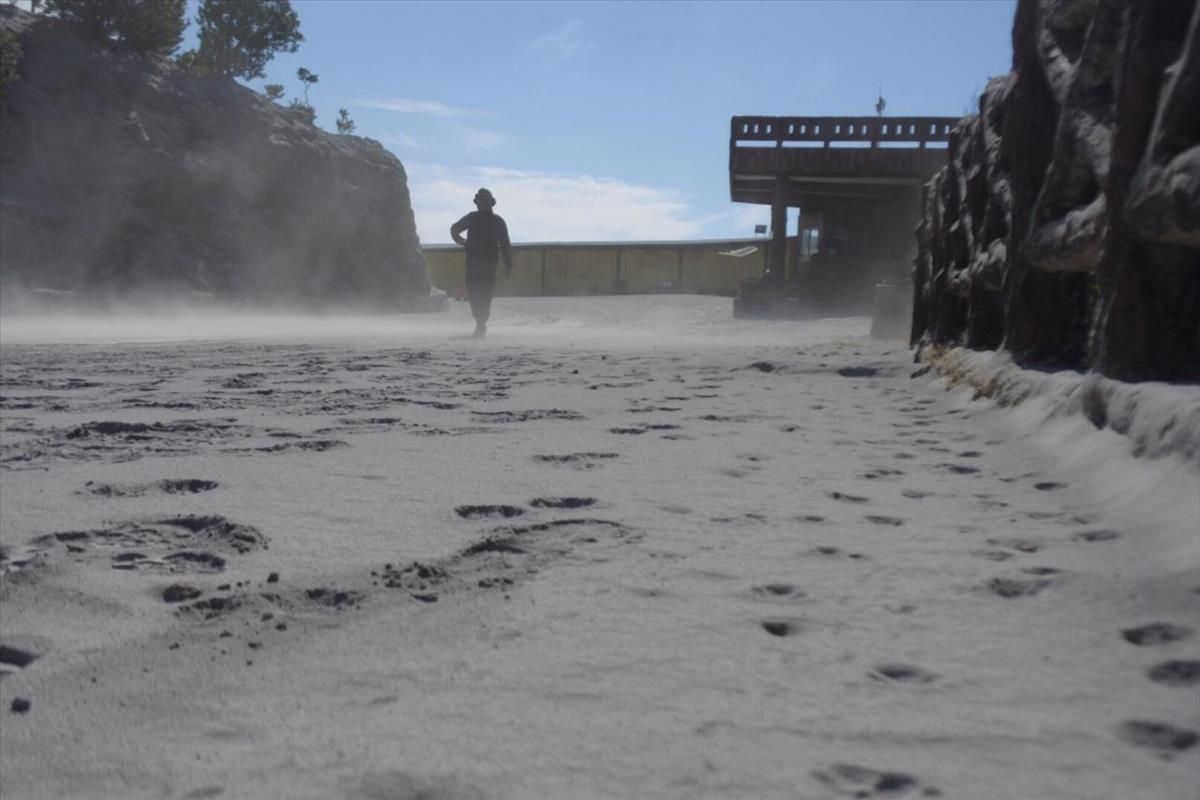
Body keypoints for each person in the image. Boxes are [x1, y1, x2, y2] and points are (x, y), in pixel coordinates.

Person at [450, 188, 513, 338]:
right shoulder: (472, 218)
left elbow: (505, 244)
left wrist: (509, 265)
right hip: (472, 263)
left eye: (485, 201)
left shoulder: (498, 221)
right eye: (479, 201)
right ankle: (479, 321)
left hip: (489, 264)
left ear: (491, 203)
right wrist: (463, 242)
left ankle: (481, 323)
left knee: (485, 294)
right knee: (473, 293)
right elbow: (454, 229)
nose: (482, 204)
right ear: (477, 203)